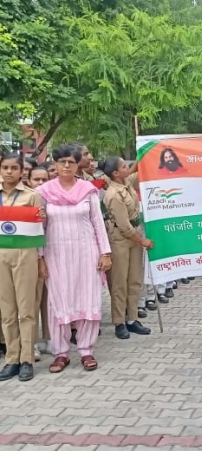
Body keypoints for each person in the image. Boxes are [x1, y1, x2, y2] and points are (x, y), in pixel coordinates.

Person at [37, 144, 112, 373]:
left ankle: (86, 350)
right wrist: (40, 258)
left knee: (87, 298)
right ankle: (60, 353)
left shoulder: (87, 190)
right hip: (55, 253)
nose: (66, 166)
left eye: (70, 161)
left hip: (86, 251)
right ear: (55, 164)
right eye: (62, 162)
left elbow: (98, 223)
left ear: (77, 163)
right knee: (58, 301)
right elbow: (39, 227)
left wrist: (105, 253)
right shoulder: (43, 192)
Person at [0, 153, 42, 382]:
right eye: (5, 167)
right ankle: (11, 359)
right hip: (1, 255)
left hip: (26, 254)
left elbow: (40, 229)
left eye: (13, 168)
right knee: (7, 311)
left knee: (26, 310)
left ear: (21, 171)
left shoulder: (32, 196)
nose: (9, 172)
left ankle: (27, 359)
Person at [101, 157, 153, 339]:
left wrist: (143, 152)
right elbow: (123, 226)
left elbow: (138, 172)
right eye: (124, 166)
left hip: (134, 236)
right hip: (120, 239)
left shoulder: (126, 183)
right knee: (119, 283)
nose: (127, 168)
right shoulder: (113, 194)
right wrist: (142, 241)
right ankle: (119, 322)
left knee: (134, 279)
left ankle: (132, 318)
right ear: (115, 173)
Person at [27, 166, 51, 361]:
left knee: (49, 301)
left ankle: (50, 339)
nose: (41, 184)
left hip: (51, 255)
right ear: (28, 181)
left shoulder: (54, 199)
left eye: (44, 180)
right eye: (37, 180)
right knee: (32, 302)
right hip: (31, 257)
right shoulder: (23, 200)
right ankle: (31, 343)